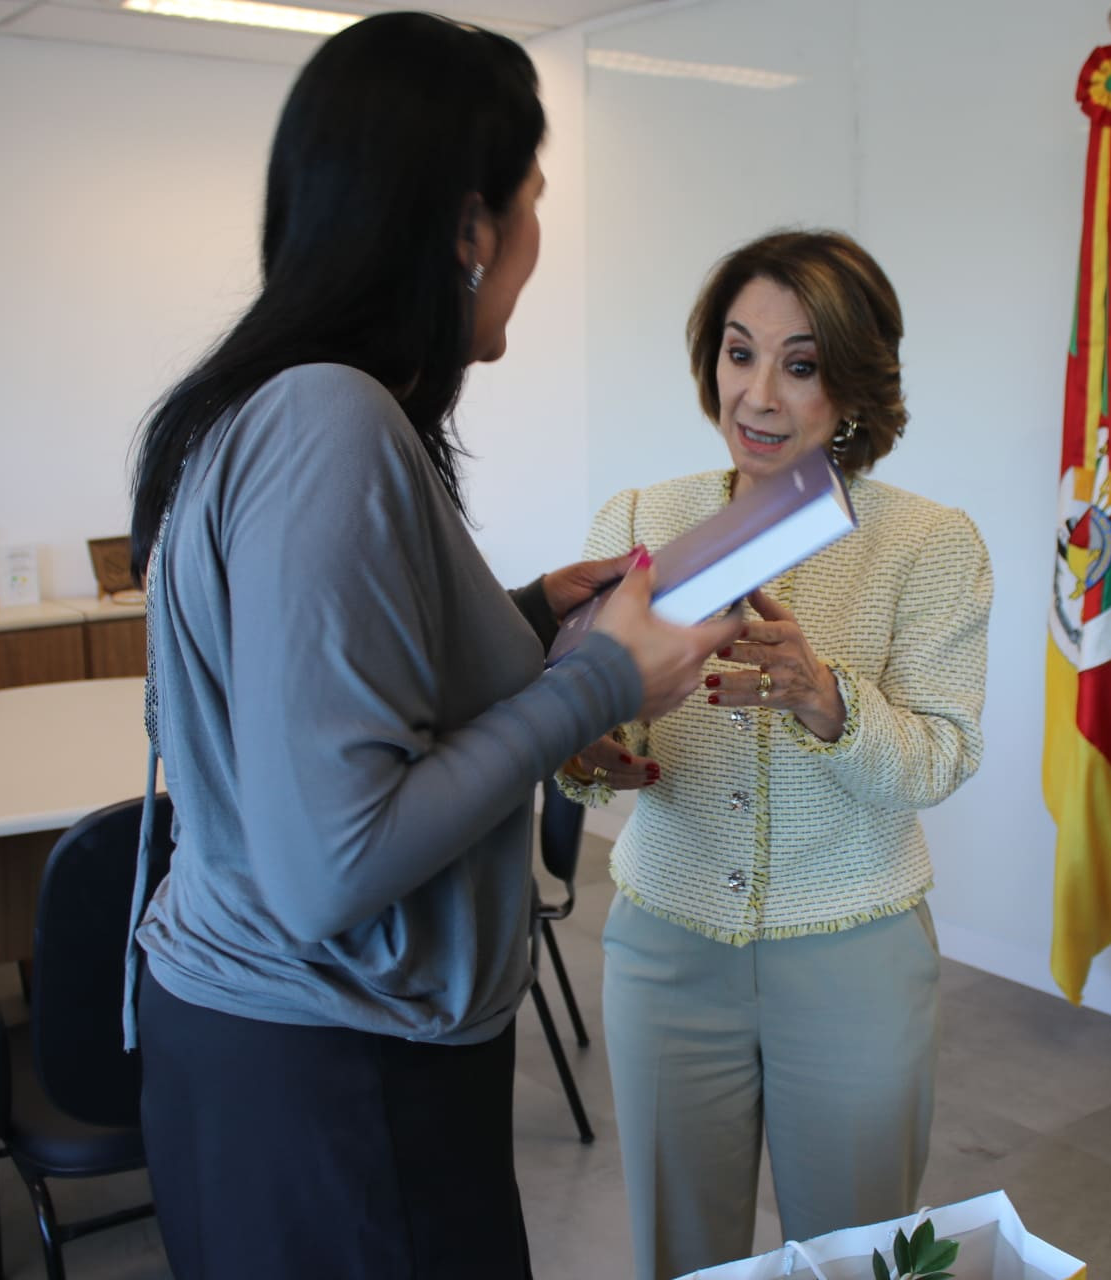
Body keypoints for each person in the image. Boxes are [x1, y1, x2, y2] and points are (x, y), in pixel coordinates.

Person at [121, 14, 741, 1279]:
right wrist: (602, 678)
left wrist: (525, 614)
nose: (536, 237)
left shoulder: (276, 403)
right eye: (533, 202)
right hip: (334, 1075)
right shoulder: (330, 421)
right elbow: (334, 863)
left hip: (288, 1054)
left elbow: (325, 679)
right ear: (470, 229)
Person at [559, 230, 994, 1280]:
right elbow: (597, 728)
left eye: (800, 364)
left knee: (856, 1257)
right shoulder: (641, 519)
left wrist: (826, 698)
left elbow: (943, 754)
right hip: (665, 951)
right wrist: (588, 750)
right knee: (681, 1256)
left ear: (853, 385)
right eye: (739, 352)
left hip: (854, 955)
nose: (757, 395)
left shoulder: (929, 542)